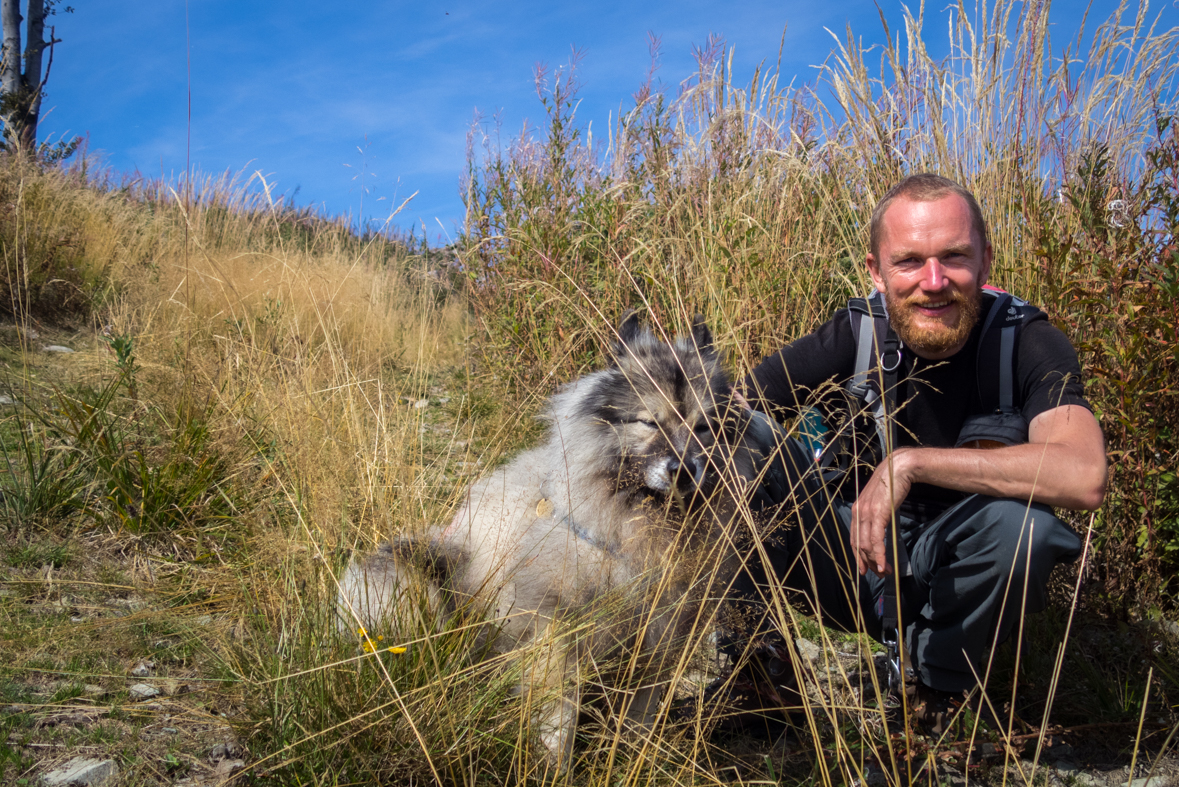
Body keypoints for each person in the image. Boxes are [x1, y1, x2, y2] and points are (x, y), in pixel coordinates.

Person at [734, 173, 1107, 731]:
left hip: (961, 572)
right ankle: (753, 665)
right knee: (740, 444)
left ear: (985, 264)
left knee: (1023, 528)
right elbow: (732, 412)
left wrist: (908, 463)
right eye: (909, 261)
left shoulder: (1023, 340)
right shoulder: (855, 335)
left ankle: (934, 691)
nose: (933, 282)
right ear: (876, 272)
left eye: (954, 257)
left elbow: (1083, 475)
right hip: (852, 560)